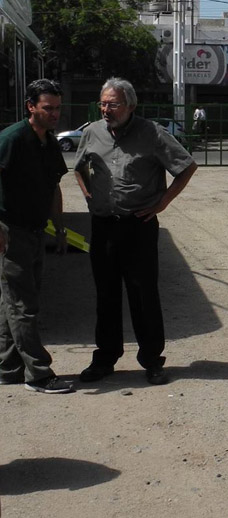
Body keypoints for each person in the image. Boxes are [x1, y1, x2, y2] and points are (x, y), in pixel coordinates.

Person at [74, 77, 197, 386]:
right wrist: (90, 197)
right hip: (103, 227)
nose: (106, 109)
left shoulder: (152, 134)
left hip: (138, 227)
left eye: (112, 104)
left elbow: (186, 167)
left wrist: (162, 203)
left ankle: (152, 360)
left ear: (130, 105)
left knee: (144, 295)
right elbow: (79, 168)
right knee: (106, 294)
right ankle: (105, 358)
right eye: (102, 103)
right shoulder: (91, 132)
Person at [0, 78, 73, 394]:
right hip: (10, 233)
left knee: (13, 304)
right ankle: (39, 374)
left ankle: (7, 368)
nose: (55, 114)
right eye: (48, 108)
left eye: (58, 108)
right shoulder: (12, 139)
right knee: (23, 305)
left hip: (35, 232)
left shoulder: (49, 143)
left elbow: (53, 187)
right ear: (31, 106)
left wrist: (58, 229)